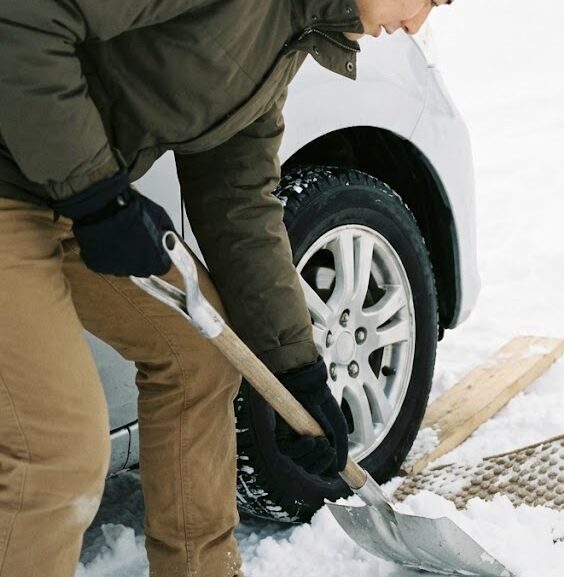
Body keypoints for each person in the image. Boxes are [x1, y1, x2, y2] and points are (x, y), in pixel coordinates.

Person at [0, 1, 449, 576]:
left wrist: (297, 371)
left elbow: (236, 198)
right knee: (56, 452)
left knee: (200, 360)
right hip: (22, 177)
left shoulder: (289, 32)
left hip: (60, 198)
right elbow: (25, 16)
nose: (417, 23)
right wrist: (96, 194)